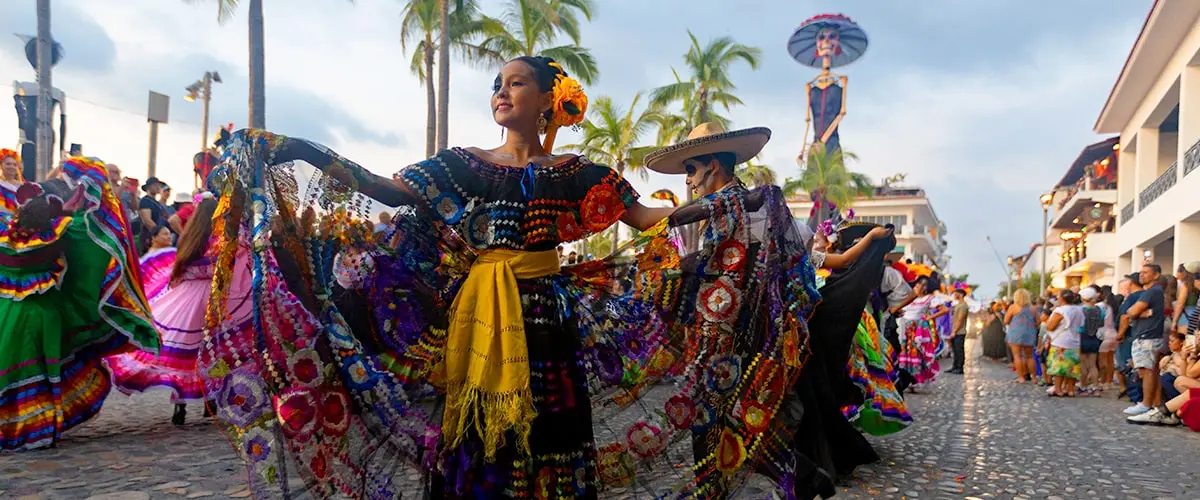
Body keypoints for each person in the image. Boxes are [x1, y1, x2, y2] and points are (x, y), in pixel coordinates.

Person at [198, 55, 816, 499]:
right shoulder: (462, 165)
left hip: (547, 314)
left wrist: (721, 204)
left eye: (517, 83)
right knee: (475, 427)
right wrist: (304, 149)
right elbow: (382, 186)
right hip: (482, 316)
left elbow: (649, 217)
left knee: (552, 424)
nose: (502, 92)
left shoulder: (580, 172)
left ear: (549, 99)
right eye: (497, 84)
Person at [0, 158, 158, 450]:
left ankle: (10, 426)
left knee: (10, 367)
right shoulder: (58, 234)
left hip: (6, 313)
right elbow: (93, 232)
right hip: (44, 313)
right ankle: (39, 428)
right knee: (45, 370)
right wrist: (92, 190)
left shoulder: (5, 240)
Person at [107, 197, 253, 425]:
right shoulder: (220, 238)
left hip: (187, 299)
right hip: (214, 299)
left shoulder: (189, 238)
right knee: (211, 350)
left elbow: (181, 270)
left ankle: (180, 405)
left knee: (185, 353)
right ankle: (210, 403)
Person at [1121, 264, 1167, 415]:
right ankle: (1153, 403)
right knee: (1148, 370)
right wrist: (1143, 313)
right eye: (1141, 272)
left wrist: (1137, 312)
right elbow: (1131, 312)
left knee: (1146, 371)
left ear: (1156, 275)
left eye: (1146, 272)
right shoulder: (1154, 292)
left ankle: (1146, 403)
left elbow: (1132, 312)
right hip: (1147, 336)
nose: (1142, 275)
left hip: (1147, 337)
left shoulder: (1152, 292)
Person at [1044, 289, 1084, 397]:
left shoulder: (1060, 311)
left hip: (1061, 341)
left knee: (1059, 366)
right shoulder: (1079, 310)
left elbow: (1050, 327)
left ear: (1061, 298)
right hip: (1075, 341)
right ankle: (1070, 389)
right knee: (1072, 366)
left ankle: (1058, 389)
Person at [1004, 289, 1039, 382]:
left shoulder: (1013, 307)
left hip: (1015, 333)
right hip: (1029, 333)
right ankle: (1034, 377)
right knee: (1030, 356)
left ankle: (1021, 377)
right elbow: (1038, 321)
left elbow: (1006, 321)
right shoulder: (1033, 308)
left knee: (1017, 356)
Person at [1078, 287, 1106, 395]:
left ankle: (1083, 387)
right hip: (1094, 337)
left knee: (1083, 365)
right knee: (1093, 365)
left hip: (1082, 336)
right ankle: (1096, 387)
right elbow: (1101, 324)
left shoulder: (1080, 310)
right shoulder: (1100, 310)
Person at [138, 177, 169, 252]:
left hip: (157, 237)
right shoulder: (145, 201)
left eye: (158, 185)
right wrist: (159, 233)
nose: (158, 187)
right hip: (149, 237)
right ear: (149, 187)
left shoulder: (157, 203)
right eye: (155, 185)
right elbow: (147, 220)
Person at [946, 288, 970, 374]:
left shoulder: (963, 305)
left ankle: (960, 368)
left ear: (961, 294)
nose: (954, 295)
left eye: (955, 293)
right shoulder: (957, 305)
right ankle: (954, 366)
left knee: (959, 350)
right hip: (955, 330)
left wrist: (954, 331)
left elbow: (960, 320)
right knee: (955, 350)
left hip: (960, 331)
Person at [1173, 264, 1198, 335]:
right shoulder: (1196, 284)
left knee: (1186, 341)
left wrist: (1174, 321)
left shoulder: (1186, 285)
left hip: (1186, 316)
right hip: (1196, 314)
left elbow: (1180, 304)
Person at [0, 148, 24, 213]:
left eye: (14, 164)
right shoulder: (1, 184)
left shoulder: (24, 186)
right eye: (8, 164)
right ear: (1, 166)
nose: (12, 167)